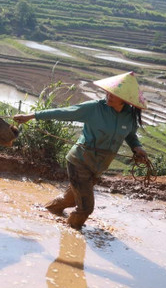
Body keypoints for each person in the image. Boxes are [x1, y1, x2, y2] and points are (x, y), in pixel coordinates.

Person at [13, 71, 149, 230]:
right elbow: (63, 112)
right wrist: (31, 116)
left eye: (113, 94)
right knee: (85, 208)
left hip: (98, 166)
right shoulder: (94, 108)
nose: (108, 95)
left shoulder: (129, 116)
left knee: (69, 200)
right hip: (80, 161)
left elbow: (130, 134)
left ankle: (44, 213)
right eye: (108, 92)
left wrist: (137, 148)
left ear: (125, 100)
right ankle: (71, 233)